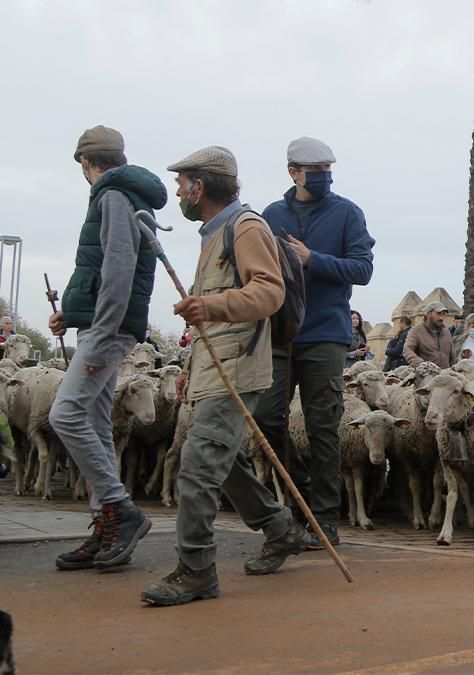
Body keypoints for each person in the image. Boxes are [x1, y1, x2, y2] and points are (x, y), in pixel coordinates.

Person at [140, 146, 307, 606]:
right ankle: (279, 527)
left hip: (237, 369)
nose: (178, 192)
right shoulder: (213, 235)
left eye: (182, 184)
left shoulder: (245, 227)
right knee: (223, 459)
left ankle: (196, 570)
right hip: (214, 368)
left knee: (197, 465)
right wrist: (188, 368)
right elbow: (208, 319)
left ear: (200, 186)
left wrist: (209, 305)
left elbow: (269, 292)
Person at [49, 125, 167, 572]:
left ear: (85, 161)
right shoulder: (120, 195)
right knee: (96, 424)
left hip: (108, 327)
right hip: (101, 322)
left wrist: (102, 326)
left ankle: (121, 509)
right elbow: (99, 266)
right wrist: (74, 313)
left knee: (65, 414)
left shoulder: (113, 196)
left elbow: (119, 265)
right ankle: (107, 525)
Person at [253, 136, 375, 547]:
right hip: (279, 334)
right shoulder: (271, 215)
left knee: (323, 427)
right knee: (266, 418)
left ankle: (323, 519)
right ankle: (302, 496)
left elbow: (362, 269)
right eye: (316, 170)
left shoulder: (347, 213)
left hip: (325, 334)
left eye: (327, 169)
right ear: (294, 172)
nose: (324, 176)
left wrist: (312, 259)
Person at [404, 301, 455, 368]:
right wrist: (421, 364)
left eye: (443, 314)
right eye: (438, 313)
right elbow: (407, 350)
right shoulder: (416, 331)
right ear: (428, 313)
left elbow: (452, 357)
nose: (441, 318)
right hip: (426, 373)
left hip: (446, 373)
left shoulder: (446, 332)